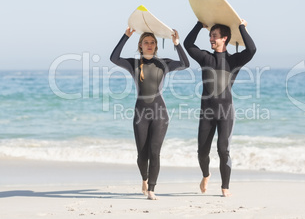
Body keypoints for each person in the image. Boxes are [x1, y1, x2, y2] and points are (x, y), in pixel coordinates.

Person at [110, 27, 189, 200]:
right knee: (142, 154)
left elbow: (185, 64)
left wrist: (177, 44)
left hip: (160, 113)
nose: (149, 45)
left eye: (152, 42)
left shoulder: (164, 63)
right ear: (140, 45)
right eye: (146, 42)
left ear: (156, 46)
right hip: (141, 113)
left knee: (154, 152)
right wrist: (126, 36)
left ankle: (151, 189)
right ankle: (144, 179)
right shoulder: (133, 64)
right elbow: (114, 58)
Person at [184, 20, 256, 197]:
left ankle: (225, 187)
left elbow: (252, 49)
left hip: (226, 112)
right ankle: (206, 175)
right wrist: (199, 25)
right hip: (207, 112)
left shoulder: (234, 60)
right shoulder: (205, 58)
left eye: (214, 36)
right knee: (202, 151)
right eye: (210, 35)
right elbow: (187, 44)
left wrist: (241, 28)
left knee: (223, 149)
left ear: (224, 39)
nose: (211, 39)